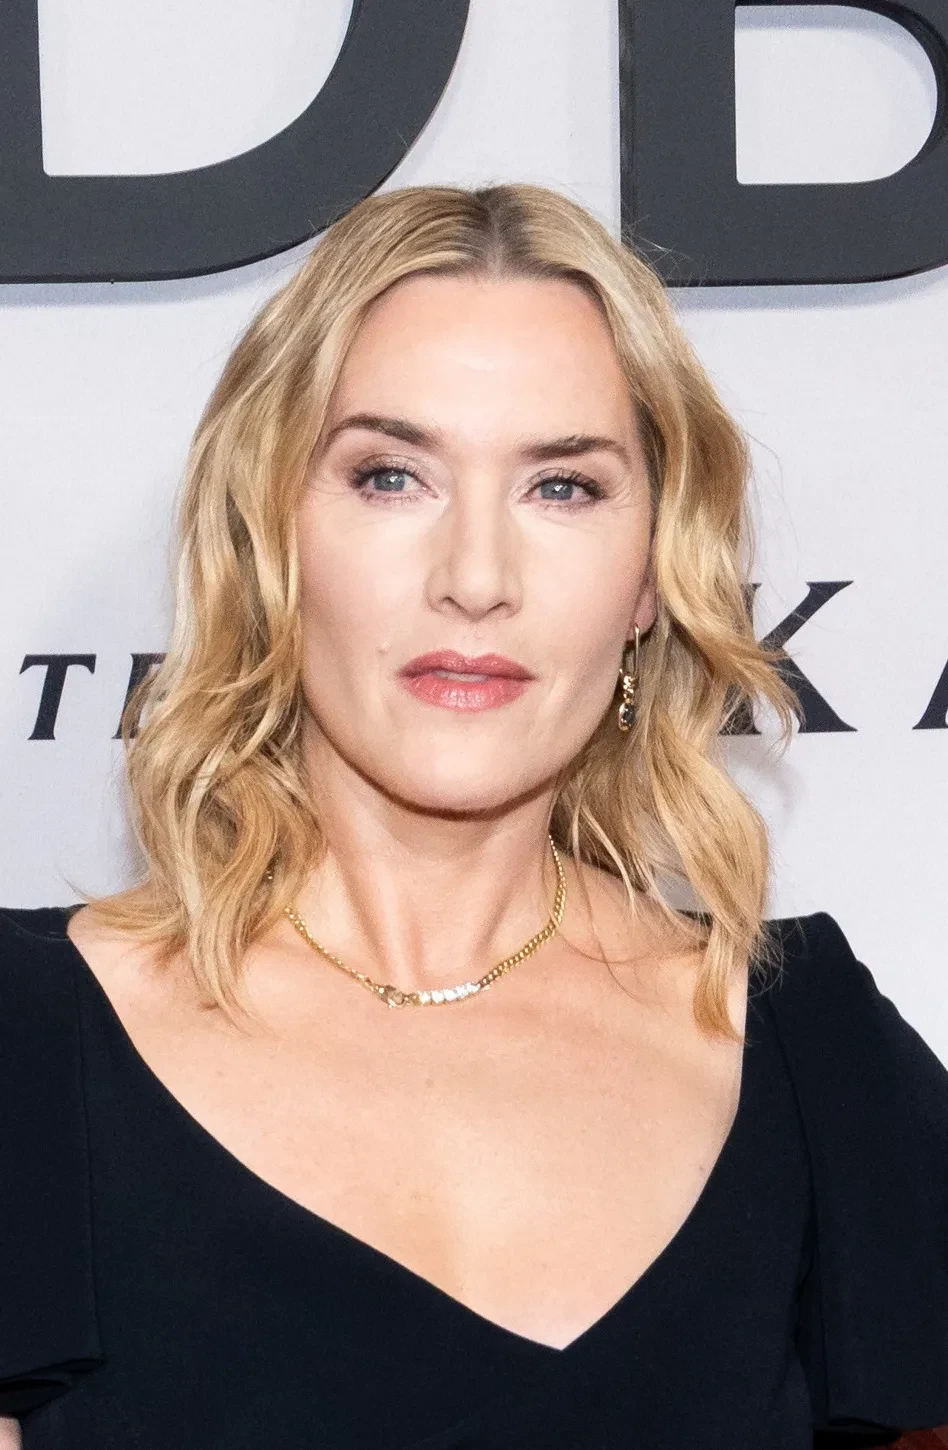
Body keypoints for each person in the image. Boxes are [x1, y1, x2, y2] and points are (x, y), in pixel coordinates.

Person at [1, 182, 946, 1450]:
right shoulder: (29, 1045)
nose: (476, 579)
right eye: (391, 476)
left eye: (563, 487)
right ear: (270, 534)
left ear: (651, 576)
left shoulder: (809, 1054)